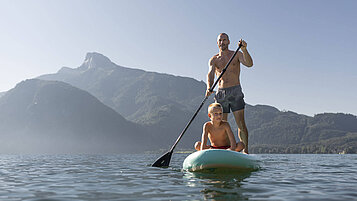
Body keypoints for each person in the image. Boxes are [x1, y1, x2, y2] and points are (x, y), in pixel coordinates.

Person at [205, 33, 253, 154]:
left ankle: (245, 152)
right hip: (221, 93)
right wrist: (209, 87)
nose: (222, 42)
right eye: (220, 40)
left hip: (235, 91)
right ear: (217, 43)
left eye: (224, 40)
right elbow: (210, 73)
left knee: (241, 123)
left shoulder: (236, 54)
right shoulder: (214, 59)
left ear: (229, 41)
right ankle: (225, 150)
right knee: (220, 125)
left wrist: (244, 49)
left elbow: (249, 64)